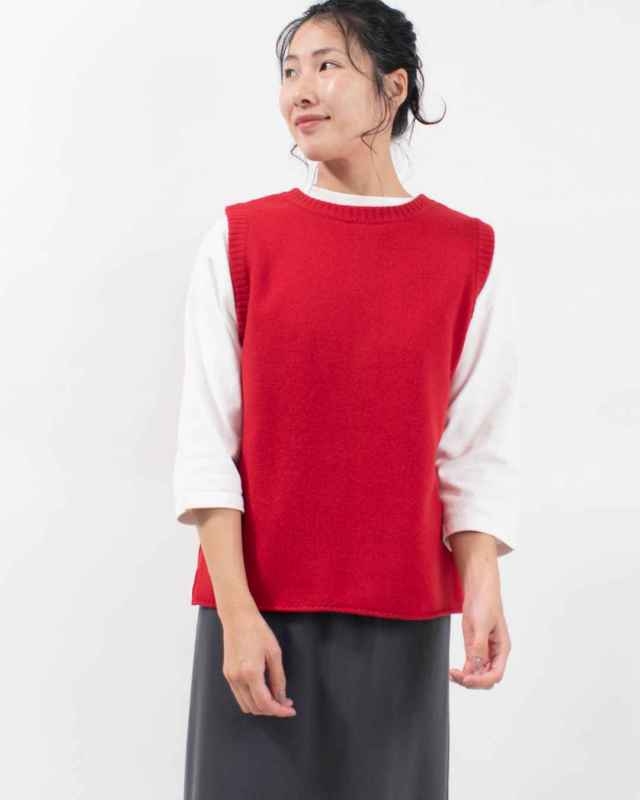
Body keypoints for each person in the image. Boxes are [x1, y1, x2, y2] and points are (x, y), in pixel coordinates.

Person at [173, 2, 520, 798]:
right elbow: (206, 446)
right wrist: (236, 614)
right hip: (256, 612)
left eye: (327, 66)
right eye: (290, 71)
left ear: (393, 89)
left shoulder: (467, 253)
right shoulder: (241, 242)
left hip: (401, 620)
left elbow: (474, 449)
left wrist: (483, 587)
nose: (301, 90)